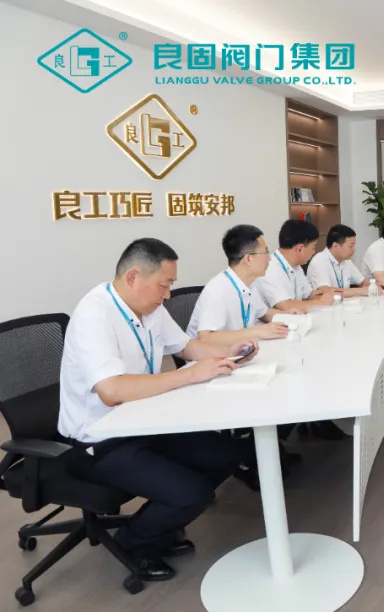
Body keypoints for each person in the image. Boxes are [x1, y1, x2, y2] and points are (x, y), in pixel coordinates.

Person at [60, 238, 246, 582]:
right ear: (133, 277)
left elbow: (186, 347)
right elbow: (112, 391)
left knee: (225, 455)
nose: (168, 295)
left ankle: (162, 522)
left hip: (145, 421)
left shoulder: (150, 308)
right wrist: (189, 375)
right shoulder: (94, 315)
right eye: (164, 285)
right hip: (100, 440)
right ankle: (133, 543)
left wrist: (229, 352)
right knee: (192, 494)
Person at [187, 225, 296, 344]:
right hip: (213, 353)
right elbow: (206, 338)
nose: (269, 259)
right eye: (265, 252)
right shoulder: (218, 290)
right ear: (249, 259)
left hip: (240, 348)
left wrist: (288, 316)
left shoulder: (248, 283)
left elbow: (264, 313)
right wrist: (257, 331)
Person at [254, 219, 336, 313]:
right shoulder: (270, 268)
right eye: (313, 247)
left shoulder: (296, 266)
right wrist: (322, 303)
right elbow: (285, 306)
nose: (314, 252)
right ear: (300, 249)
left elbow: (309, 295)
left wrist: (330, 295)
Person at [308, 224, 382, 297]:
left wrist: (375, 285)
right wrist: (361, 290)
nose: (354, 250)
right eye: (351, 246)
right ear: (335, 246)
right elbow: (326, 292)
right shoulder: (319, 261)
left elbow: (362, 281)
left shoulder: (346, 260)